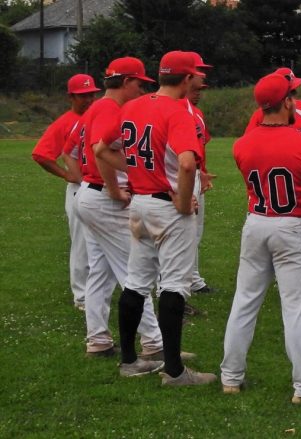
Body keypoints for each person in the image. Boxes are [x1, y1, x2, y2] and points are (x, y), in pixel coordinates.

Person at [221, 73, 301, 403]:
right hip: (292, 225)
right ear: (286, 102)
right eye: (292, 96)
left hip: (256, 221)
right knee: (295, 309)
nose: (295, 100)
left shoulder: (242, 143)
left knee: (244, 301)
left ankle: (231, 376)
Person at [109, 51, 215, 386]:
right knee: (173, 285)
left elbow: (102, 148)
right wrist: (184, 203)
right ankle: (174, 371)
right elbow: (186, 164)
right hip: (167, 209)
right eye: (195, 76)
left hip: (140, 202)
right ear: (185, 79)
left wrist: (141, 176)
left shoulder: (133, 106)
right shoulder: (178, 111)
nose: (198, 80)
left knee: (136, 282)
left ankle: (129, 360)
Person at [73, 58, 168, 363]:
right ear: (126, 82)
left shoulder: (99, 107)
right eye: (139, 83)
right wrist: (115, 189)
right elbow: (101, 152)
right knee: (134, 270)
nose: (141, 89)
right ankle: (154, 343)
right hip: (104, 197)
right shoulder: (110, 108)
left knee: (101, 272)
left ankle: (98, 339)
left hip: (92, 195)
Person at [246, 67, 301, 290]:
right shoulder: (261, 114)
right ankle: (279, 271)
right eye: (291, 89)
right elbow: (249, 144)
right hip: (274, 180)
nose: (294, 95)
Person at [31, 73, 99, 311]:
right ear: (71, 96)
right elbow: (40, 154)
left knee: (102, 244)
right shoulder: (64, 123)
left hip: (101, 188)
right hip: (79, 189)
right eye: (83, 96)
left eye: (91, 94)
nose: (89, 99)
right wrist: (65, 174)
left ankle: (99, 289)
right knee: (81, 244)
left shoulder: (100, 117)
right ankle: (81, 296)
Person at [182, 52, 216, 297]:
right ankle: (175, 284)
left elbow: (199, 147)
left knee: (195, 230)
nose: (202, 85)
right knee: (181, 231)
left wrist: (201, 172)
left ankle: (192, 278)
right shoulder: (174, 108)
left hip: (193, 173)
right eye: (199, 71)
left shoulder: (197, 112)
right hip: (178, 174)